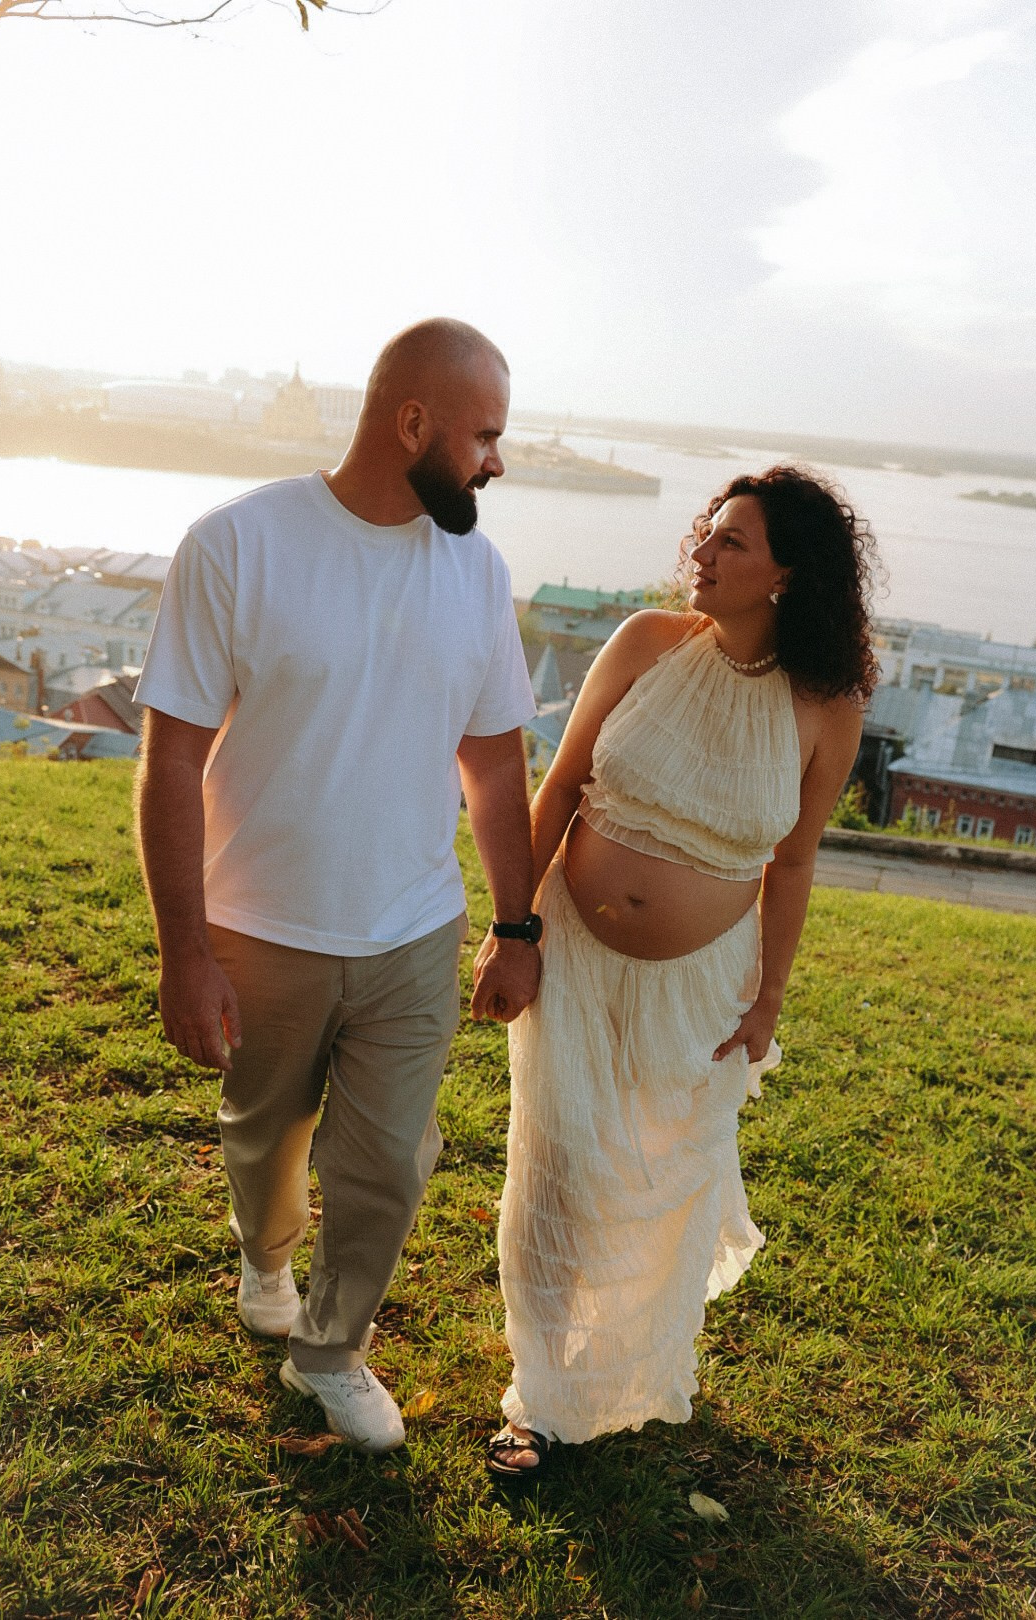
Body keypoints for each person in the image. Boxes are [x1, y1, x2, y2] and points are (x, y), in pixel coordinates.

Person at [135, 317, 543, 1456]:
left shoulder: (478, 569)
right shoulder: (238, 543)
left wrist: (517, 923)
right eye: (484, 437)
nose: (496, 463)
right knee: (264, 1137)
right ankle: (264, 1255)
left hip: (414, 929)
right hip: (260, 926)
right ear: (411, 423)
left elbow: (495, 763)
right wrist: (186, 950)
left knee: (387, 1166)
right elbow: (170, 755)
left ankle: (331, 1348)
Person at [484, 464, 879, 1476]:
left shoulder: (827, 706)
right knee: (560, 1165)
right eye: (707, 531)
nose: (700, 551)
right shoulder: (644, 644)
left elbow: (792, 862)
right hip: (569, 951)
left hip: (705, 983)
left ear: (787, 574)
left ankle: (623, 1368)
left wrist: (769, 999)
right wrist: (514, 931)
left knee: (654, 1171)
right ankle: (541, 1400)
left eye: (731, 541)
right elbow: (559, 785)